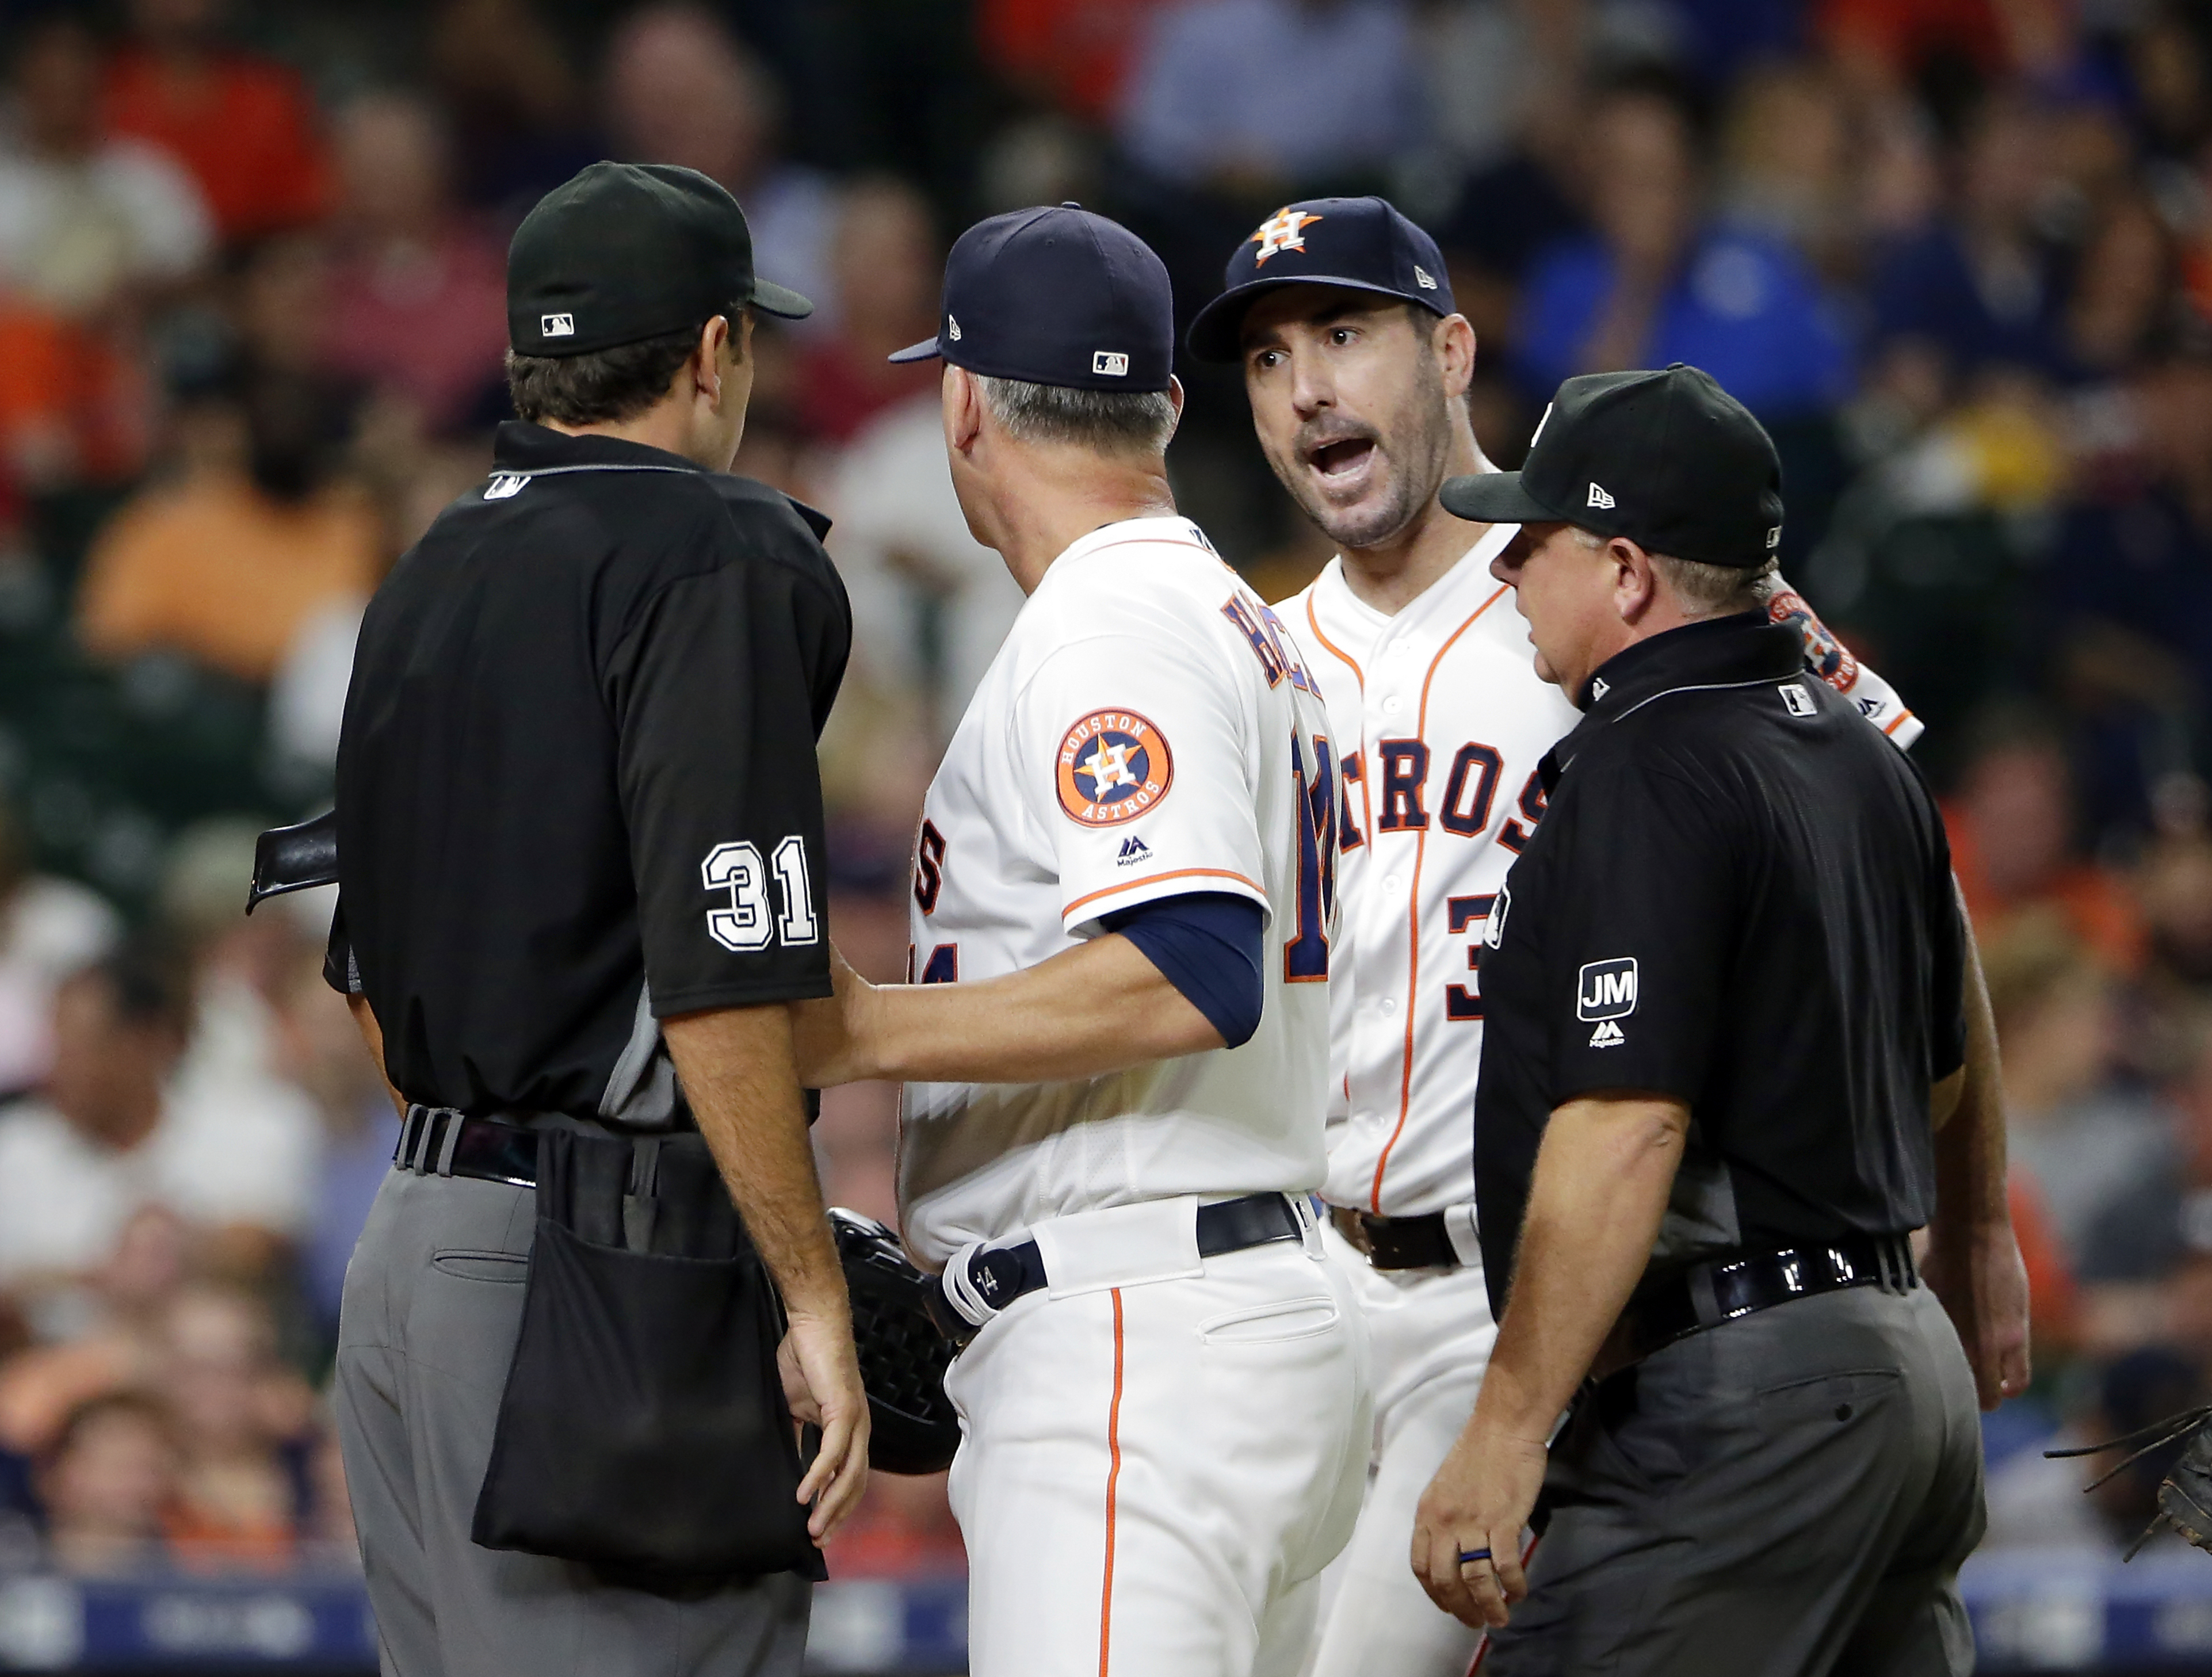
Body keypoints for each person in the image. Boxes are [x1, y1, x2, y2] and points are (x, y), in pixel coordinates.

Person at [1183, 197, 1927, 1677]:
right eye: (1267, 361)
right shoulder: (1248, 651)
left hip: (1515, 1292)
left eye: (1343, 335)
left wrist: (1968, 1222)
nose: (1307, 388)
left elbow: (1895, 836)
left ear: (1451, 349)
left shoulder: (1603, 587)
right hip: (1301, 1280)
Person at [791, 203, 1369, 1677]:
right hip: (1208, 1309)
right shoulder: (1225, 613)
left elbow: (1191, 968)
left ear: (962, 404)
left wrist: (860, 1029)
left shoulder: (1114, 624)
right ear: (1167, 407)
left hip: (1138, 1342)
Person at [324, 161, 867, 1676]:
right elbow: (722, 979)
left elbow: (362, 966)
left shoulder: (426, 568)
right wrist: (807, 1283)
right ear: (712, 353)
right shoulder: (717, 551)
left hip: (419, 1245)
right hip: (602, 1273)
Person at [1408, 365, 2031, 1672]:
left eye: (1536, 538)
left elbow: (1630, 1123)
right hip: (1894, 1371)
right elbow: (1947, 1058)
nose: (1505, 566)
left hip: (1743, 1402)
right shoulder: (1858, 751)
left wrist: (1504, 1436)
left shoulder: (1654, 761)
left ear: (1627, 571)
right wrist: (1969, 1231)